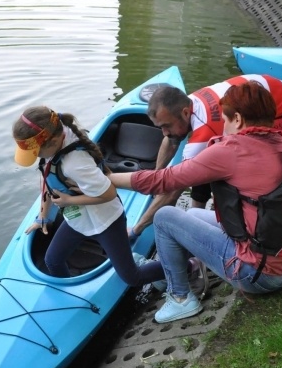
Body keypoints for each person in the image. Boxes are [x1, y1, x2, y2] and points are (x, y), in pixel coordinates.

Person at [109, 81, 282, 324]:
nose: (223, 127)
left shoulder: (230, 151)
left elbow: (163, 181)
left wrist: (108, 180)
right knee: (194, 216)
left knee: (165, 217)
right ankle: (171, 270)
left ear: (238, 119)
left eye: (225, 120)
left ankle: (181, 298)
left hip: (256, 276)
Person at [128, 74, 282, 239]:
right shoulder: (187, 103)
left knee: (243, 156)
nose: (164, 132)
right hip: (275, 97)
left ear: (186, 113)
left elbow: (173, 191)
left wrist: (137, 229)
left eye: (166, 125)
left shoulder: (203, 132)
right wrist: (156, 174)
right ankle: (198, 212)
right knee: (205, 160)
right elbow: (170, 140)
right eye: (160, 126)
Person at [12, 106, 167, 286]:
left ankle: (189, 266)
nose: (36, 157)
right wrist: (43, 217)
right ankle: (68, 292)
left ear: (54, 141)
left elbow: (109, 193)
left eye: (36, 152)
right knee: (52, 260)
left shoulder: (74, 164)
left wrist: (69, 200)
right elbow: (46, 179)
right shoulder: (55, 140)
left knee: (132, 277)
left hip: (107, 222)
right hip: (78, 219)